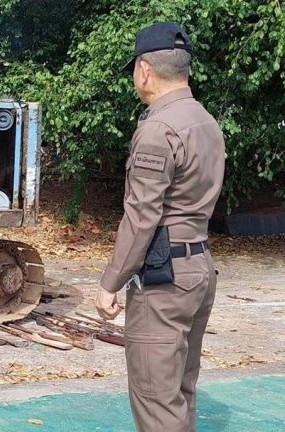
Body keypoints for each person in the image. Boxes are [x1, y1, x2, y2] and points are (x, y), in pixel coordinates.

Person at [95, 22, 225, 432]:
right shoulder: (205, 121)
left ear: (145, 70)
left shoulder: (158, 128)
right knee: (181, 391)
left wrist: (111, 281)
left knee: (156, 402)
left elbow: (142, 215)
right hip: (198, 266)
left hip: (165, 278)